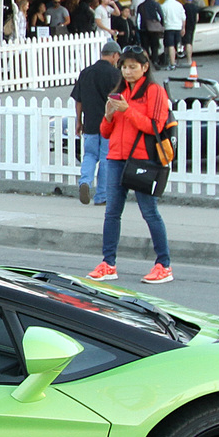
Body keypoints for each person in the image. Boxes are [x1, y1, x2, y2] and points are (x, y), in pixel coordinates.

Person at [88, 47, 172, 285]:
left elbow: (153, 126)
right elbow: (106, 132)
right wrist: (108, 115)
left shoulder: (154, 92)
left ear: (145, 67)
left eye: (133, 66)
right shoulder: (120, 91)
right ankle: (108, 263)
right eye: (124, 66)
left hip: (143, 159)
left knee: (149, 211)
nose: (127, 71)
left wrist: (128, 110)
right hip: (116, 157)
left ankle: (163, 264)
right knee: (112, 211)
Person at [70, 40, 123, 204]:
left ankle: (85, 181)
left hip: (90, 124)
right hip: (109, 124)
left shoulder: (86, 73)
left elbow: (78, 100)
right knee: (106, 158)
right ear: (114, 55)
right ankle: (101, 196)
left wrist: (79, 121)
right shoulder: (116, 75)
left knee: (90, 155)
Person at [159, 0, 186, 69]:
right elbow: (183, 17)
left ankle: (172, 62)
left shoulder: (164, 6)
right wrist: (183, 28)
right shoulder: (179, 5)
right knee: (177, 44)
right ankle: (175, 60)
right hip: (178, 27)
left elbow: (162, 17)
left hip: (169, 27)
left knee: (170, 45)